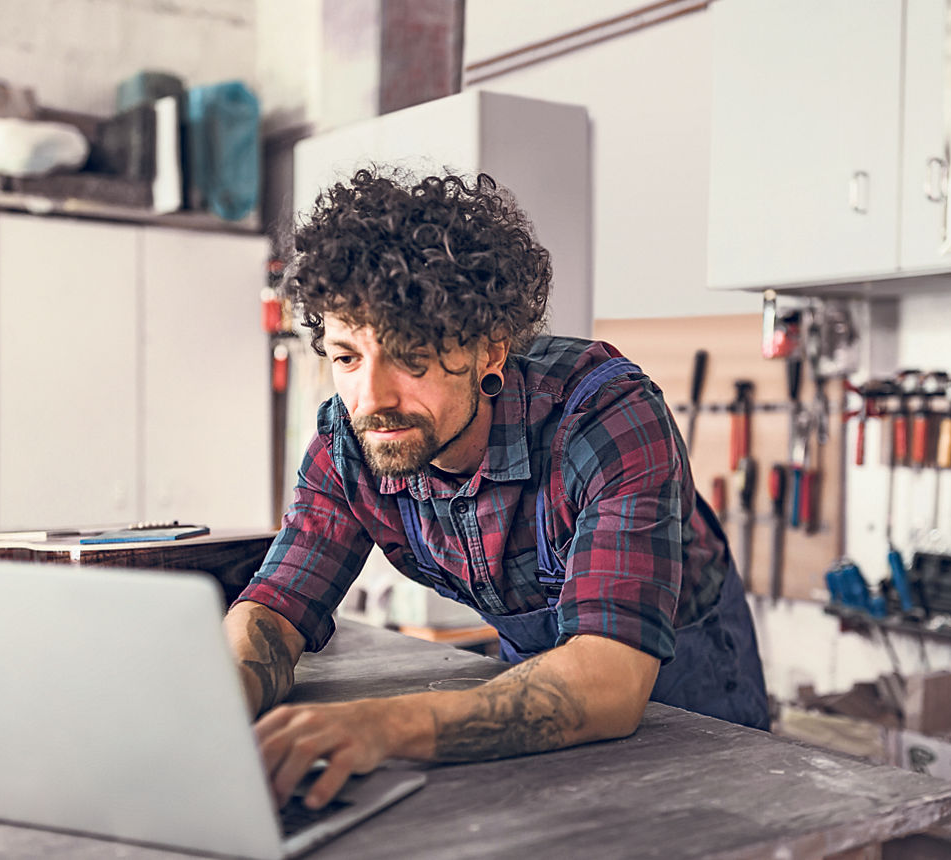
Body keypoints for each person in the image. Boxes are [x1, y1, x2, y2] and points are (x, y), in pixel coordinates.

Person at [224, 167, 768, 812]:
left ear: (490, 350)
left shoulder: (605, 417)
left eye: (411, 356)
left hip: (688, 697)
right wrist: (211, 715)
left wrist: (383, 724)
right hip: (540, 693)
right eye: (348, 358)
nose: (372, 398)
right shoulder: (350, 443)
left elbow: (612, 683)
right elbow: (274, 608)